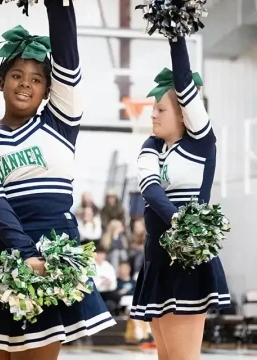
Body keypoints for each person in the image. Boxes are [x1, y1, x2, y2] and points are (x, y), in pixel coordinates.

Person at [0, 1, 116, 358]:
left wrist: (60, 4)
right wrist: (25, 254)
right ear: (1, 82)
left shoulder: (61, 123)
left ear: (47, 91)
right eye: (16, 76)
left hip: (51, 262)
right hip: (6, 256)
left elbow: (68, 58)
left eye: (36, 80)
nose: (25, 85)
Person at [130, 36, 230, 360]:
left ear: (185, 114)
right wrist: (177, 220)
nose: (153, 115)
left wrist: (175, 32)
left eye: (160, 109)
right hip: (157, 260)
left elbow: (184, 81)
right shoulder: (151, 148)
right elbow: (149, 187)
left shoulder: (200, 143)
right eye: (152, 109)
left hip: (186, 262)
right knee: (166, 356)